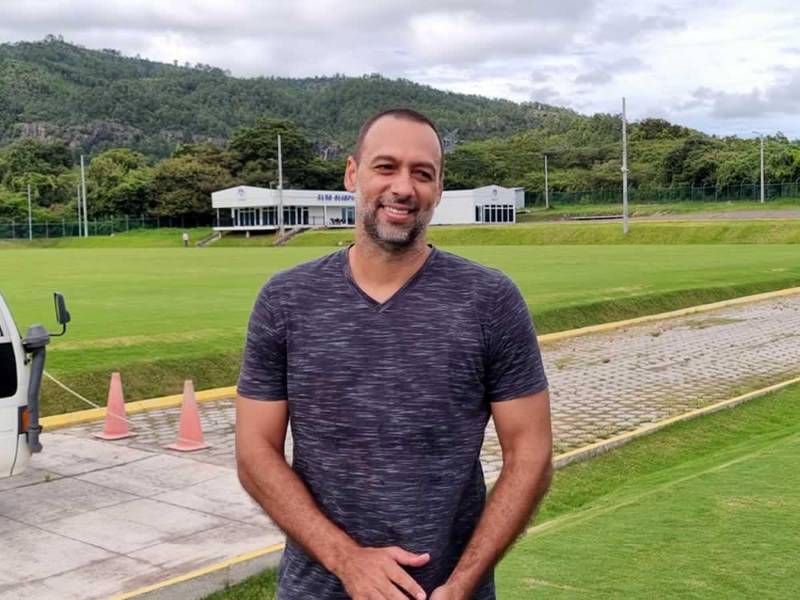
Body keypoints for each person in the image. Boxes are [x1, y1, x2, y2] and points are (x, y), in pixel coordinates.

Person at [236, 108, 553, 600]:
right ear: (352, 174)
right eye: (386, 167)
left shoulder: (490, 301)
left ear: (439, 189)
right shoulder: (286, 300)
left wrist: (463, 583)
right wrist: (346, 559)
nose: (403, 187)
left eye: (422, 173)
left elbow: (530, 454)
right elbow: (255, 453)